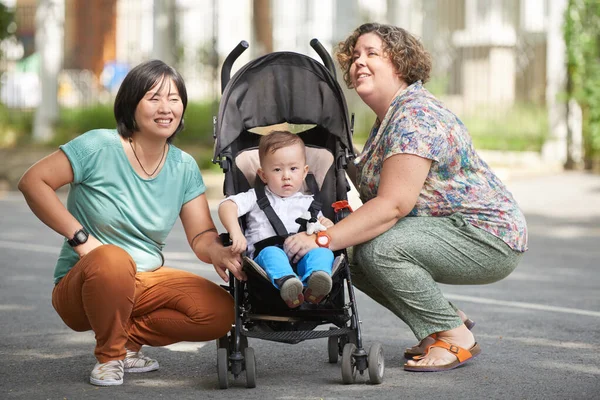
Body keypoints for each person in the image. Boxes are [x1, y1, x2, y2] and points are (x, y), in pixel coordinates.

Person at [283, 23, 528, 372]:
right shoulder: (388, 117)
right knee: (348, 254)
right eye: (354, 56)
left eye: (371, 54)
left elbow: (392, 206)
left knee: (378, 249)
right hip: (447, 229)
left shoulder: (415, 116)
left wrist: (320, 238)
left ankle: (456, 337)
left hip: (486, 235)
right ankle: (441, 320)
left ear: (399, 64)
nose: (358, 63)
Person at [17, 60, 245, 386]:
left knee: (220, 312)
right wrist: (81, 239)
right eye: (154, 98)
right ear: (131, 104)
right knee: (112, 258)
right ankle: (109, 358)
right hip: (86, 284)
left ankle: (127, 343)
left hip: (143, 281)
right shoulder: (98, 146)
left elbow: (201, 235)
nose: (166, 108)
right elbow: (33, 181)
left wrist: (218, 252)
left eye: (174, 98)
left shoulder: (183, 167)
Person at [218, 131, 335, 308]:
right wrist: (236, 233)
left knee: (323, 253)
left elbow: (321, 229)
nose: (286, 175)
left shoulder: (309, 202)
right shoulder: (254, 197)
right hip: (265, 256)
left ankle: (315, 282)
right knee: (272, 254)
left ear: (304, 172)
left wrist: (327, 225)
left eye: (293, 169)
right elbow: (227, 206)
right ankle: (288, 284)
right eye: (277, 170)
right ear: (263, 175)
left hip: (302, 256)